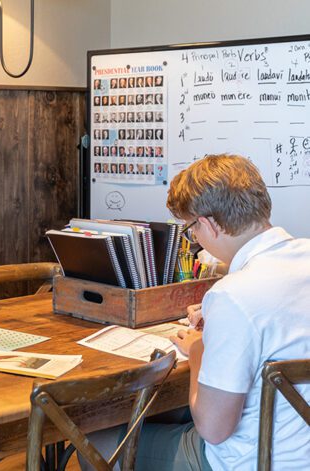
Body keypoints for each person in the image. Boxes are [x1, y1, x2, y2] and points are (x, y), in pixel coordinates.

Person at [82, 154, 310, 470]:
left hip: (255, 461)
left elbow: (214, 430)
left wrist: (199, 349)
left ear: (207, 223)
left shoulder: (234, 294)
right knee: (169, 414)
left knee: (93, 441)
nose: (194, 239)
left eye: (191, 230)